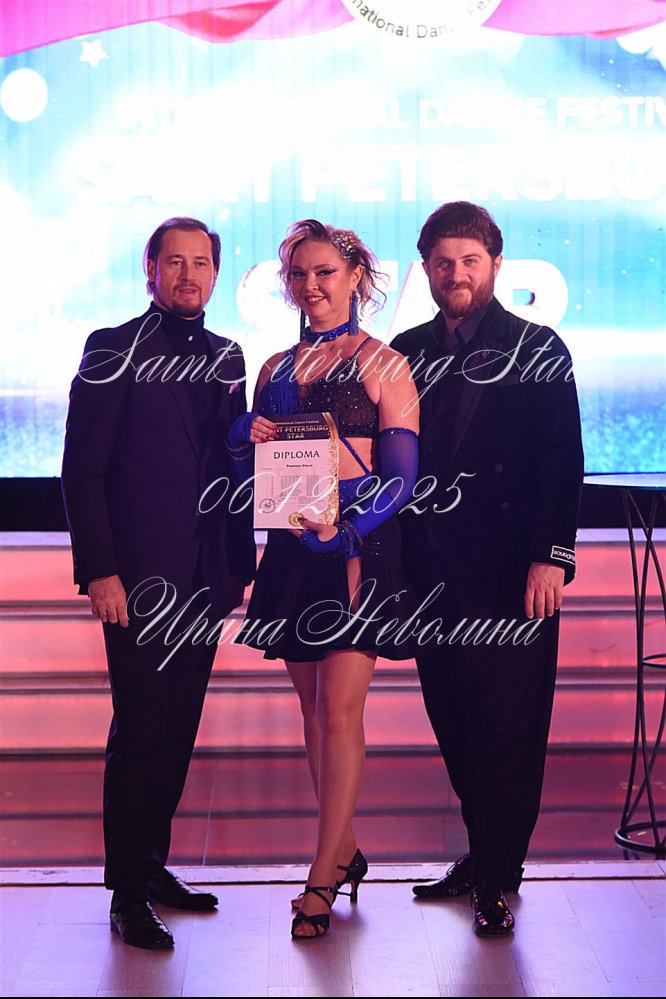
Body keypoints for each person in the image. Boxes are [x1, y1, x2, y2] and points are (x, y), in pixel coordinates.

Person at [61, 217, 256, 950]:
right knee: (142, 729)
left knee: (176, 730)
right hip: (136, 580)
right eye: (175, 261)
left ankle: (151, 866)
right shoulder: (111, 348)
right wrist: (100, 570)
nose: (188, 275)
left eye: (201, 263)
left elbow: (231, 467)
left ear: (215, 273)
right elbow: (82, 470)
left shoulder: (229, 356)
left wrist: (237, 566)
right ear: (150, 269)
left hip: (205, 577)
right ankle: (125, 890)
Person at [391, 201, 584, 936]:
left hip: (513, 574)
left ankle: (499, 875)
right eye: (443, 262)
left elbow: (562, 461)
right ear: (426, 269)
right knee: (454, 720)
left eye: (470, 261)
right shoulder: (405, 350)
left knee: (508, 728)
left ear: (496, 265)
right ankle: (482, 856)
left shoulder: (539, 346)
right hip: (433, 573)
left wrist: (551, 558)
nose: (457, 274)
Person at [227, 220, 422, 939]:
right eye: (299, 274)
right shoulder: (274, 367)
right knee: (312, 710)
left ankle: (321, 873)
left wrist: (349, 533)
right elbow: (257, 470)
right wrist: (240, 437)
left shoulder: (386, 364)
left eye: (325, 273)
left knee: (340, 710)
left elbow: (401, 480)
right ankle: (344, 847)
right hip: (291, 546)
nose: (311, 286)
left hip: (354, 552)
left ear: (356, 278)